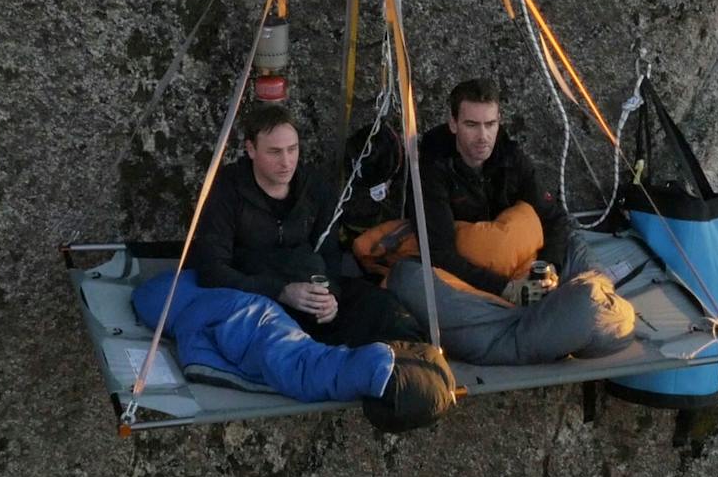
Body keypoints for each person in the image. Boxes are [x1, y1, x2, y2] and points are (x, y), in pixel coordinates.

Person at [194, 104, 419, 347]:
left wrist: (330, 295)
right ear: (251, 149)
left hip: (307, 283)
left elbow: (329, 256)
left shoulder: (315, 187)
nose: (286, 162)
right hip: (256, 288)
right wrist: (281, 291)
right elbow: (212, 268)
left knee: (381, 307)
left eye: (293, 150)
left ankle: (409, 360)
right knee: (275, 329)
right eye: (274, 152)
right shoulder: (228, 189)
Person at [416, 77, 573, 303]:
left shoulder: (510, 157)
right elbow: (439, 253)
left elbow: (554, 217)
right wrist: (506, 288)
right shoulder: (433, 169)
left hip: (521, 258)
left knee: (587, 282)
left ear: (499, 121)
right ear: (453, 123)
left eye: (490, 124)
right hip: (470, 270)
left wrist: (548, 267)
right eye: (471, 125)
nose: (483, 137)